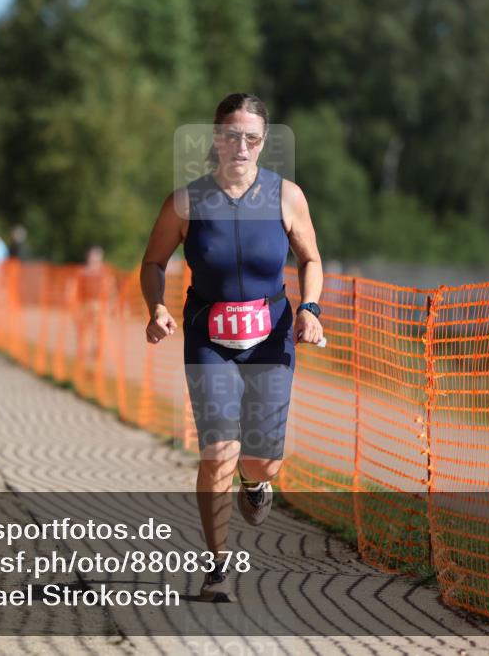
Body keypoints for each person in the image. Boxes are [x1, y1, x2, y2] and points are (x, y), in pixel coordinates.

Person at [140, 93, 324, 602]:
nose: (240, 146)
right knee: (218, 449)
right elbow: (153, 262)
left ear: (263, 143)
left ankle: (255, 482)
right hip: (208, 337)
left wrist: (309, 309)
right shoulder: (186, 202)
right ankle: (218, 564)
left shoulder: (287, 197)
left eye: (252, 137)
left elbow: (310, 258)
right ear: (215, 139)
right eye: (230, 135)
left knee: (262, 460)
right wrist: (156, 307)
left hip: (271, 334)